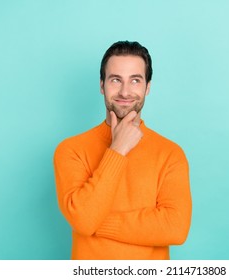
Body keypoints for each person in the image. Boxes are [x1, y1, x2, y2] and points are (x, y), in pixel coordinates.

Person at [53, 41, 192, 260]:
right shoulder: (71, 150)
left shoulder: (170, 153)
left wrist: (97, 223)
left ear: (147, 87)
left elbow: (175, 228)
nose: (125, 91)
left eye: (135, 80)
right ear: (102, 85)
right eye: (115, 79)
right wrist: (118, 149)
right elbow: (83, 220)